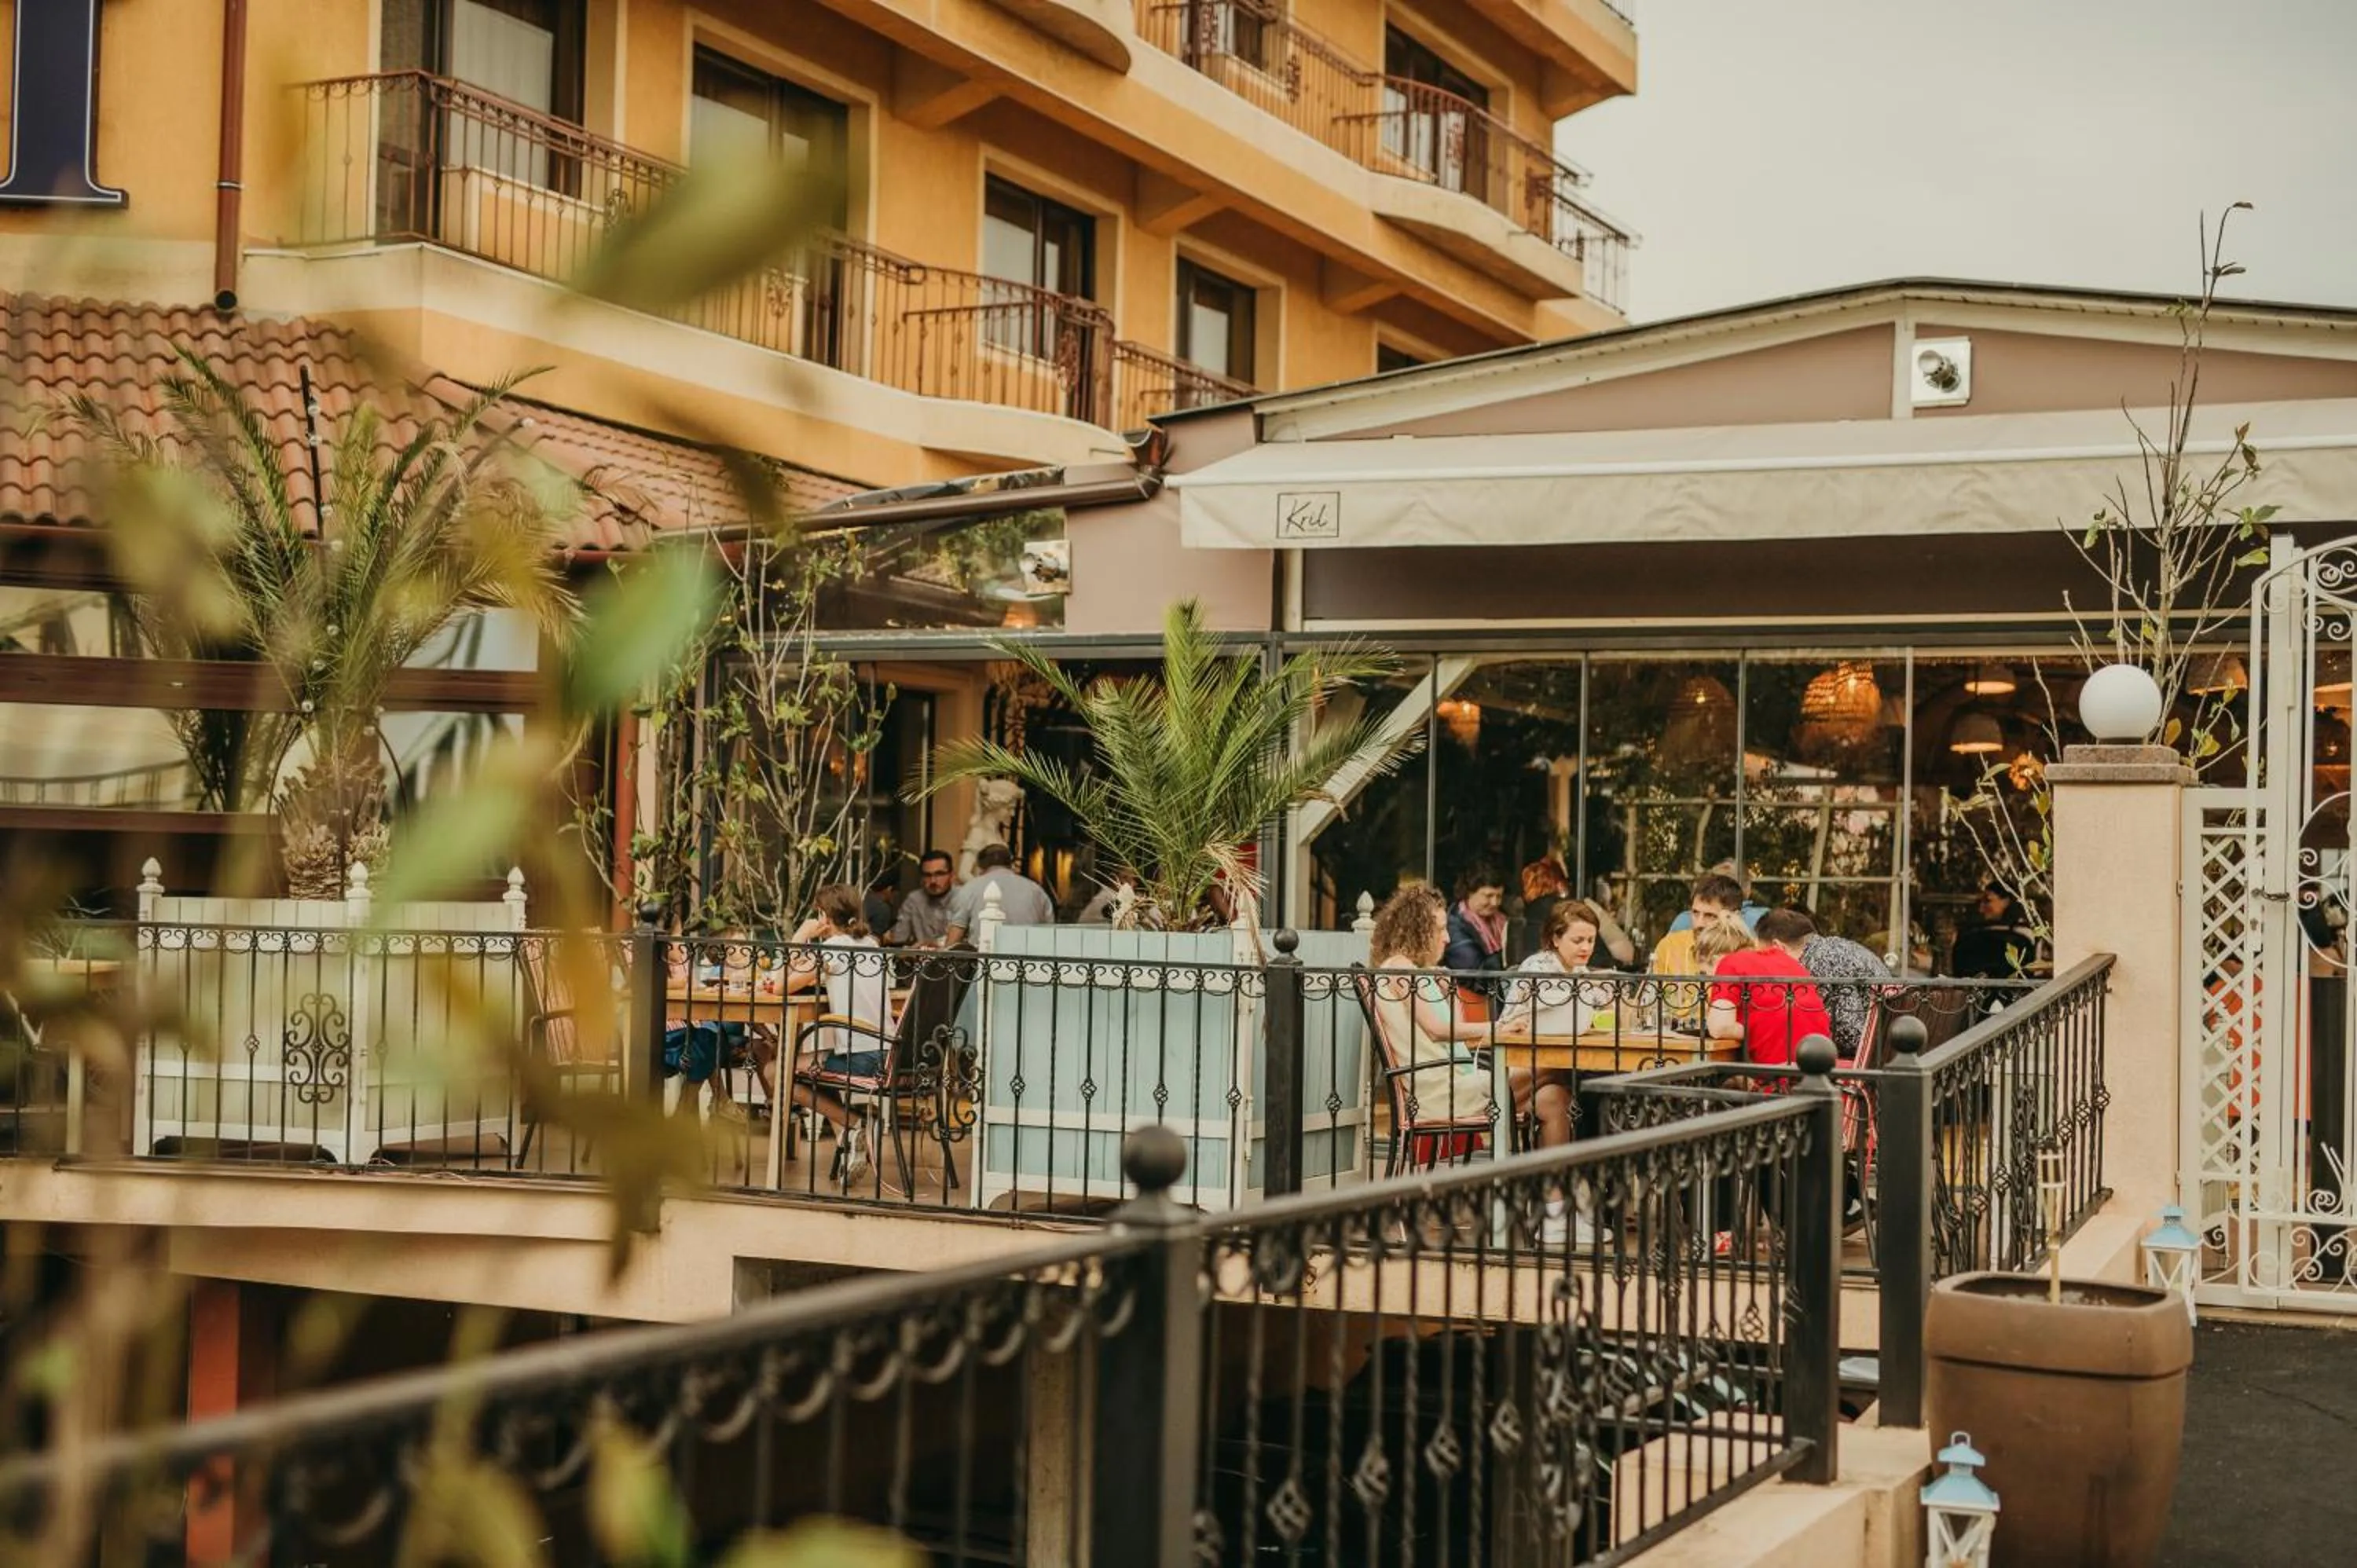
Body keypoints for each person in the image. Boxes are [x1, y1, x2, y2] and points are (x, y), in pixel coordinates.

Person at [1367, 888, 1579, 1239]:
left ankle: (1554, 1214)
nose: (1447, 936)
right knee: (1556, 1068)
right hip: (1439, 1090)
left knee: (1556, 1099)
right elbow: (1437, 1031)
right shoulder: (1400, 969)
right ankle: (1559, 1207)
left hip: (1457, 1080)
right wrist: (1497, 1028)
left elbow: (1447, 1033)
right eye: (1439, 928)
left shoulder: (1411, 970)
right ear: (1416, 929)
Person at [782, 884, 897, 1183]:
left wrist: (800, 937)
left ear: (823, 915)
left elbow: (783, 984)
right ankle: (847, 1138)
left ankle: (854, 1123)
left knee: (777, 1070)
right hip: (890, 1054)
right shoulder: (871, 945)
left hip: (864, 1058)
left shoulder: (833, 950)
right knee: (813, 1070)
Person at [1755, 908, 1892, 1063]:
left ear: (1777, 947)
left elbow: (1850, 1034)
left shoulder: (1818, 965)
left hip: (1865, 1062)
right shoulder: (1834, 948)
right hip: (1887, 1049)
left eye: (1764, 955)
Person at [1703, 918, 1835, 1069]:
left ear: (1714, 959)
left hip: (1777, 1076)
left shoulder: (1729, 963)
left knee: (1726, 1082)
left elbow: (1719, 1028)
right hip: (1820, 1066)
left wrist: (1753, 1028)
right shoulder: (1788, 962)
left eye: (1705, 974)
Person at [941, 842, 1056, 944]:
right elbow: (1050, 932)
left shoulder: (970, 888)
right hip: (1029, 963)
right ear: (1011, 864)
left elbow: (956, 933)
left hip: (985, 963)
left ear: (980, 867)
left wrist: (943, 958)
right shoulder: (1036, 890)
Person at [1442, 867, 1510, 998]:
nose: (1495, 903)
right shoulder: (1454, 925)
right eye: (1488, 896)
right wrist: (1507, 954)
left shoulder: (1502, 919)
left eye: (1499, 896)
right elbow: (1475, 970)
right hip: (1468, 1001)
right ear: (1469, 893)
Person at [1952, 884, 2037, 980]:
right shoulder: (1972, 932)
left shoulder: (2023, 935)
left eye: (1988, 901)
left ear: (2006, 901)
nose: (1981, 909)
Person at [1663, 859, 1769, 934]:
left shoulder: (1682, 920)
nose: (1700, 923)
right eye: (1695, 913)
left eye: (1710, 916)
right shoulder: (1766, 920)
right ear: (1748, 888)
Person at [884, 850, 960, 948]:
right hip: (922, 960)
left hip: (956, 960)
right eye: (927, 875)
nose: (933, 881)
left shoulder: (962, 898)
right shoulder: (914, 900)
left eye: (939, 874)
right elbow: (899, 938)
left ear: (952, 875)